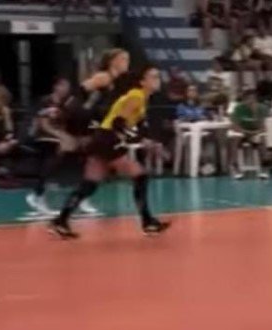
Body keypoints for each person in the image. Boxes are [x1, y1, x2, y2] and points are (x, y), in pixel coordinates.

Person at [50, 66, 171, 238]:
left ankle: (60, 221)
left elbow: (133, 126)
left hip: (102, 139)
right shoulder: (136, 96)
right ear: (142, 81)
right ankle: (147, 222)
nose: (157, 80)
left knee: (90, 183)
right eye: (153, 77)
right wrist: (140, 140)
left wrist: (147, 141)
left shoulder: (141, 98)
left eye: (158, 76)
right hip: (108, 140)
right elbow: (118, 123)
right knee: (140, 176)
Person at [61, 48, 132, 217]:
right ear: (113, 61)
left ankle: (78, 198)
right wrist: (80, 114)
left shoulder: (118, 81)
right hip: (88, 122)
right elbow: (80, 92)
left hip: (101, 123)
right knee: (95, 162)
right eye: (123, 59)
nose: (127, 63)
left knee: (97, 164)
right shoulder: (104, 77)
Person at [26, 77, 77, 215]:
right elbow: (43, 125)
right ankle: (37, 195)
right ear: (56, 87)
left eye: (67, 87)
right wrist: (61, 137)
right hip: (42, 135)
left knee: (73, 152)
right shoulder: (46, 101)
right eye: (63, 86)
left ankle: (76, 194)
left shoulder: (65, 105)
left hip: (56, 138)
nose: (65, 90)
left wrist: (65, 139)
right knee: (51, 155)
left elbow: (64, 125)